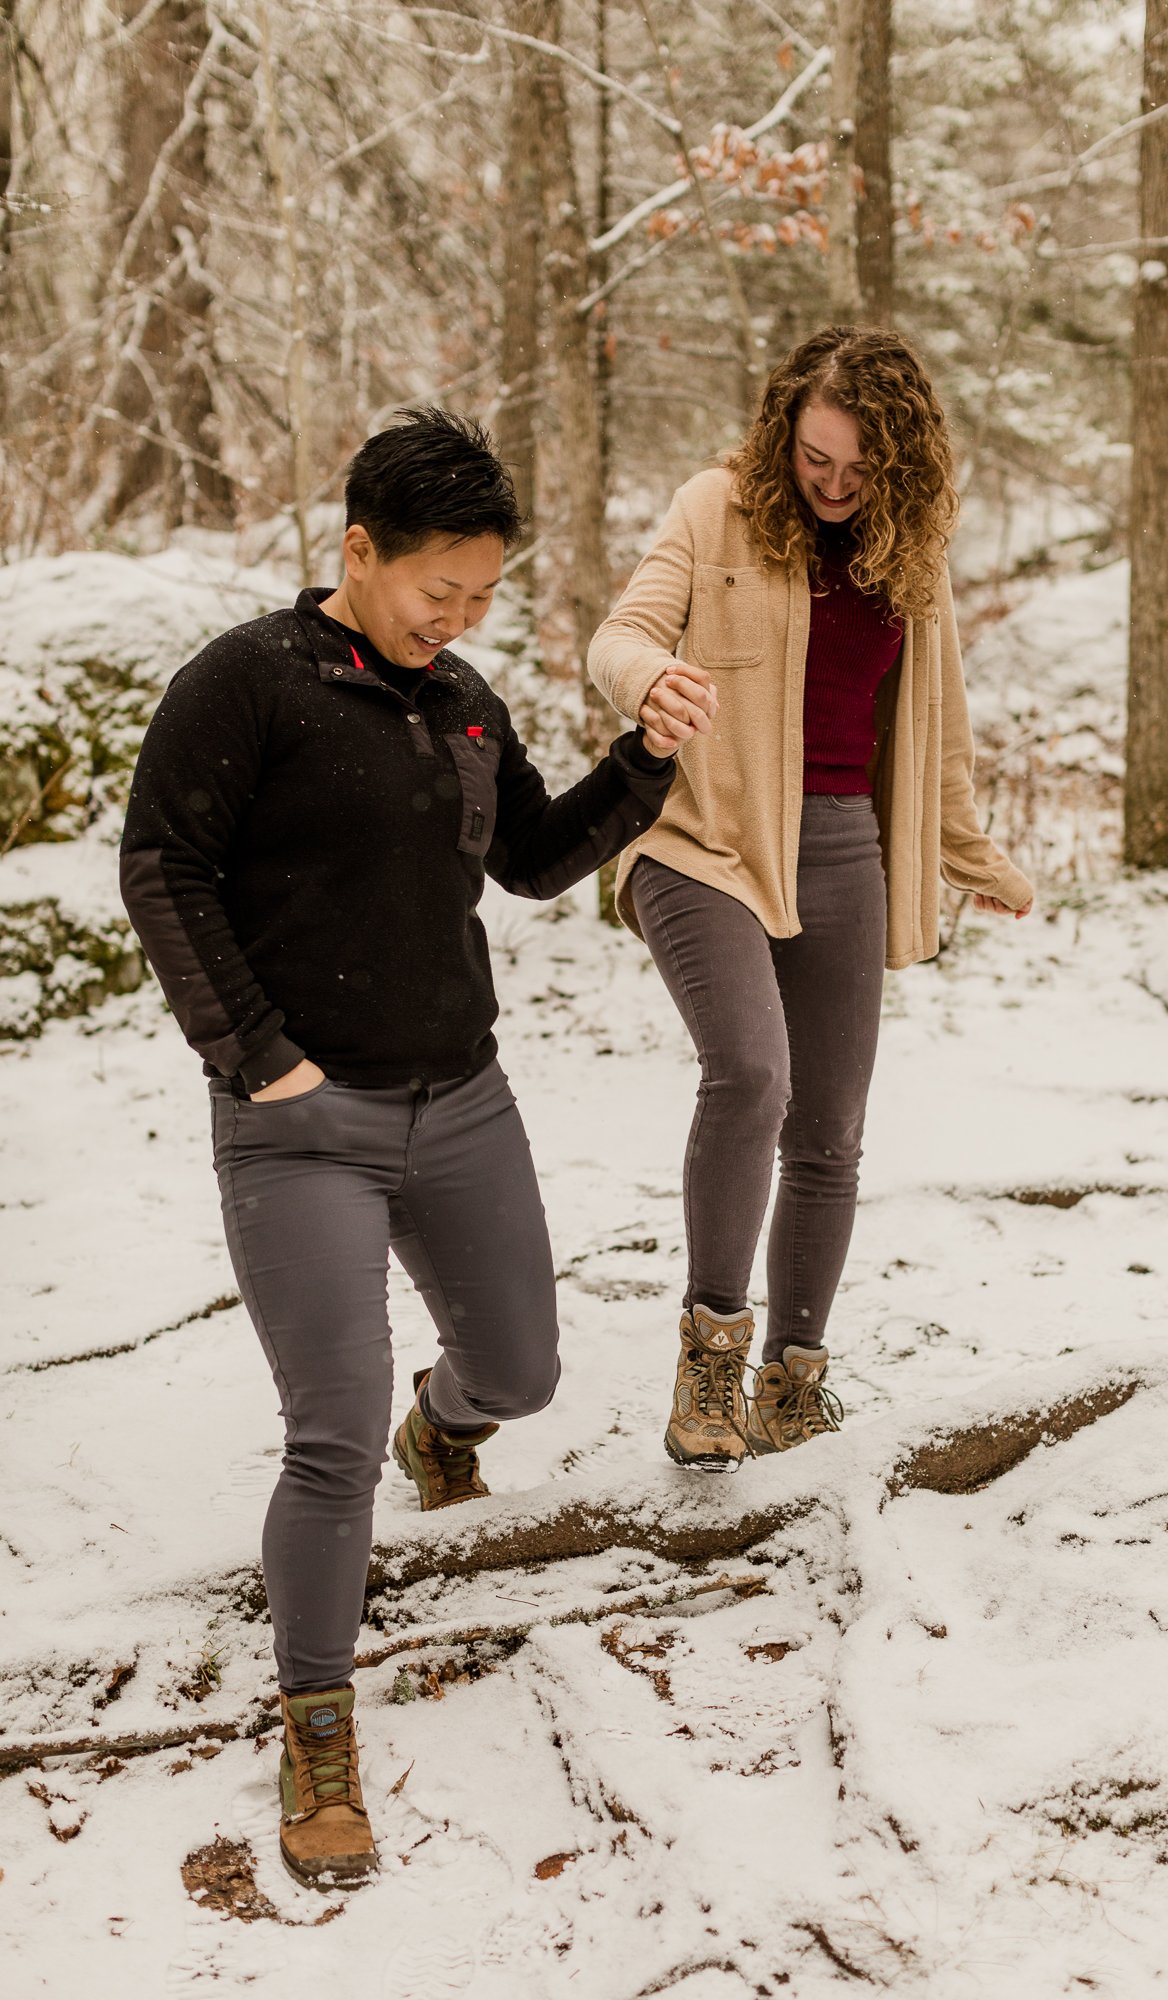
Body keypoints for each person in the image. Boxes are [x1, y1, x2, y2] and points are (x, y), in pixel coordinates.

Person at [119, 409, 713, 1891]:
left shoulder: (463, 700)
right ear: (357, 550)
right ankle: (318, 1717)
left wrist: (640, 764)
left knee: (522, 1373)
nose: (456, 618)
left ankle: (445, 1429)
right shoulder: (243, 685)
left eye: (482, 597)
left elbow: (524, 862)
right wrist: (258, 1059)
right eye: (434, 590)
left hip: (461, 1098)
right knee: (330, 1432)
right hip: (297, 1127)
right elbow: (161, 867)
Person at [587, 325, 1034, 1474]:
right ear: (785, 430)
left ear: (901, 461)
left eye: (856, 468)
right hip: (703, 841)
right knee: (751, 1072)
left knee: (829, 1132)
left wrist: (973, 856)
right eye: (814, 457)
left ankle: (793, 1383)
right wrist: (654, 682)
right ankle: (708, 1364)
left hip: (841, 846)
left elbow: (936, 733)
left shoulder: (909, 555)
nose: (830, 485)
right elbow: (622, 634)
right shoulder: (714, 506)